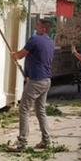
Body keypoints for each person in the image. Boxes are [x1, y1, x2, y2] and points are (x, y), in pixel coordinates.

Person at [10, 18, 55, 150]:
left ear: (44, 29)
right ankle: (46, 141)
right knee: (40, 110)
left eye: (38, 25)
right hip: (46, 80)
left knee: (24, 109)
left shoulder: (34, 40)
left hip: (36, 81)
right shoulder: (50, 42)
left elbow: (20, 55)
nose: (36, 27)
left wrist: (14, 55)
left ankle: (22, 142)